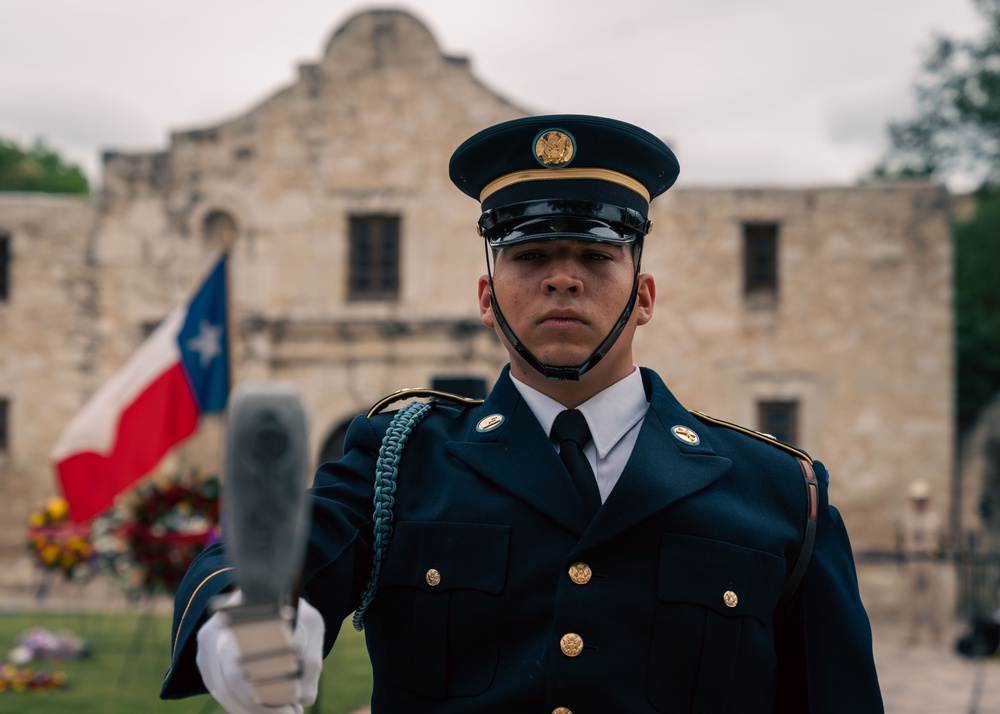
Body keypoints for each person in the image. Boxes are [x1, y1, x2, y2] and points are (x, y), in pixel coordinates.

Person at [161, 115, 884, 712]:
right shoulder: (401, 463)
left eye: (595, 258)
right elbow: (258, 562)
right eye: (530, 254)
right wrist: (250, 636)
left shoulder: (782, 493)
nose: (562, 276)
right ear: (486, 298)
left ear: (645, 297)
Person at [896, 479, 945, 645]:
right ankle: (910, 633)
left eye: (922, 500)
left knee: (935, 598)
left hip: (931, 560)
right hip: (912, 560)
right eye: (917, 500)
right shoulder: (904, 517)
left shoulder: (936, 517)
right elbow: (900, 539)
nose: (920, 503)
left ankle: (936, 632)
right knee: (909, 598)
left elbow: (944, 539)